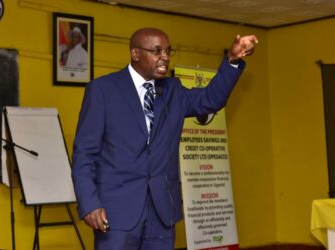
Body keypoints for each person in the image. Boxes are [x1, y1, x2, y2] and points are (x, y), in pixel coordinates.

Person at [72, 27, 258, 250]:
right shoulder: (102, 90)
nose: (165, 57)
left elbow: (210, 100)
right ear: (136, 54)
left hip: (161, 213)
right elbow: (84, 154)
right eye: (157, 51)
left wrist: (232, 60)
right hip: (116, 212)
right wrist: (90, 204)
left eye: (168, 51)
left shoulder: (173, 90)